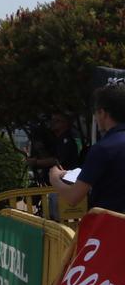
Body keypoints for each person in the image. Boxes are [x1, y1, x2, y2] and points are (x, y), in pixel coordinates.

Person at [51, 83, 125, 212]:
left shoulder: (103, 149)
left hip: (109, 225)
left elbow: (73, 197)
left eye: (96, 113)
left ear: (102, 113)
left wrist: (54, 178)